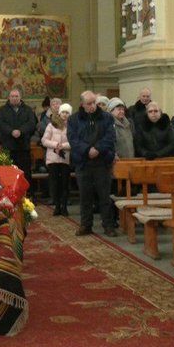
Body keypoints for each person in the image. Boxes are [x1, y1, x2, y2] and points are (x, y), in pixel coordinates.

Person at [68, 91, 117, 237]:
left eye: (94, 102)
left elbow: (110, 137)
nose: (92, 106)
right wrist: (87, 150)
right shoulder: (74, 119)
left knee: (104, 196)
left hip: (102, 161)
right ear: (82, 104)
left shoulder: (107, 117)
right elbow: (73, 139)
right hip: (83, 162)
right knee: (85, 196)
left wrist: (97, 149)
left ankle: (108, 225)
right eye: (89, 103)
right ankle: (86, 225)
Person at [0, 89, 37, 183]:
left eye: (16, 96)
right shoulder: (2, 110)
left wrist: (20, 131)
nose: (14, 98)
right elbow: (0, 124)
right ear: (9, 97)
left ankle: (25, 191)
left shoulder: (27, 109)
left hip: (23, 146)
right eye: (12, 96)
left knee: (24, 172)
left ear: (20, 97)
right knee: (8, 172)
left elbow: (31, 124)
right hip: (8, 146)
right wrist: (11, 131)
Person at [41, 103, 72, 217]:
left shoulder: (71, 126)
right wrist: (56, 145)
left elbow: (74, 141)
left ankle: (64, 206)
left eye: (67, 112)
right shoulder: (51, 125)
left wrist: (63, 146)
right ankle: (57, 206)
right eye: (63, 112)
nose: (65, 114)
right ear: (59, 113)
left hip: (65, 158)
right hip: (53, 158)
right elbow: (44, 140)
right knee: (54, 183)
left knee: (64, 183)